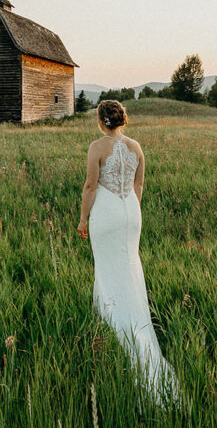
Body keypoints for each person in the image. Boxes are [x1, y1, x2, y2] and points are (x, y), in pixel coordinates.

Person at [77, 99, 179, 406]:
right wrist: (130, 211)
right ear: (123, 119)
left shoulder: (97, 147)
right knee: (130, 266)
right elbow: (139, 185)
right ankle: (129, 314)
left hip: (106, 212)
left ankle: (114, 320)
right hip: (131, 213)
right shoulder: (136, 147)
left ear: (100, 120)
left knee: (108, 267)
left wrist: (83, 219)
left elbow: (90, 187)